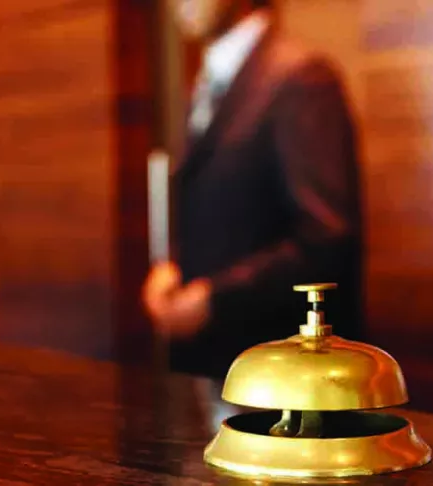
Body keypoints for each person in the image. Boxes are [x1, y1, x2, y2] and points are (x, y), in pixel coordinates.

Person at [143, 0, 364, 380]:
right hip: (213, 376)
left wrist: (215, 300)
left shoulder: (302, 78)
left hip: (282, 386)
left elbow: (328, 241)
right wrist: (174, 269)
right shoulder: (208, 80)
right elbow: (220, 210)